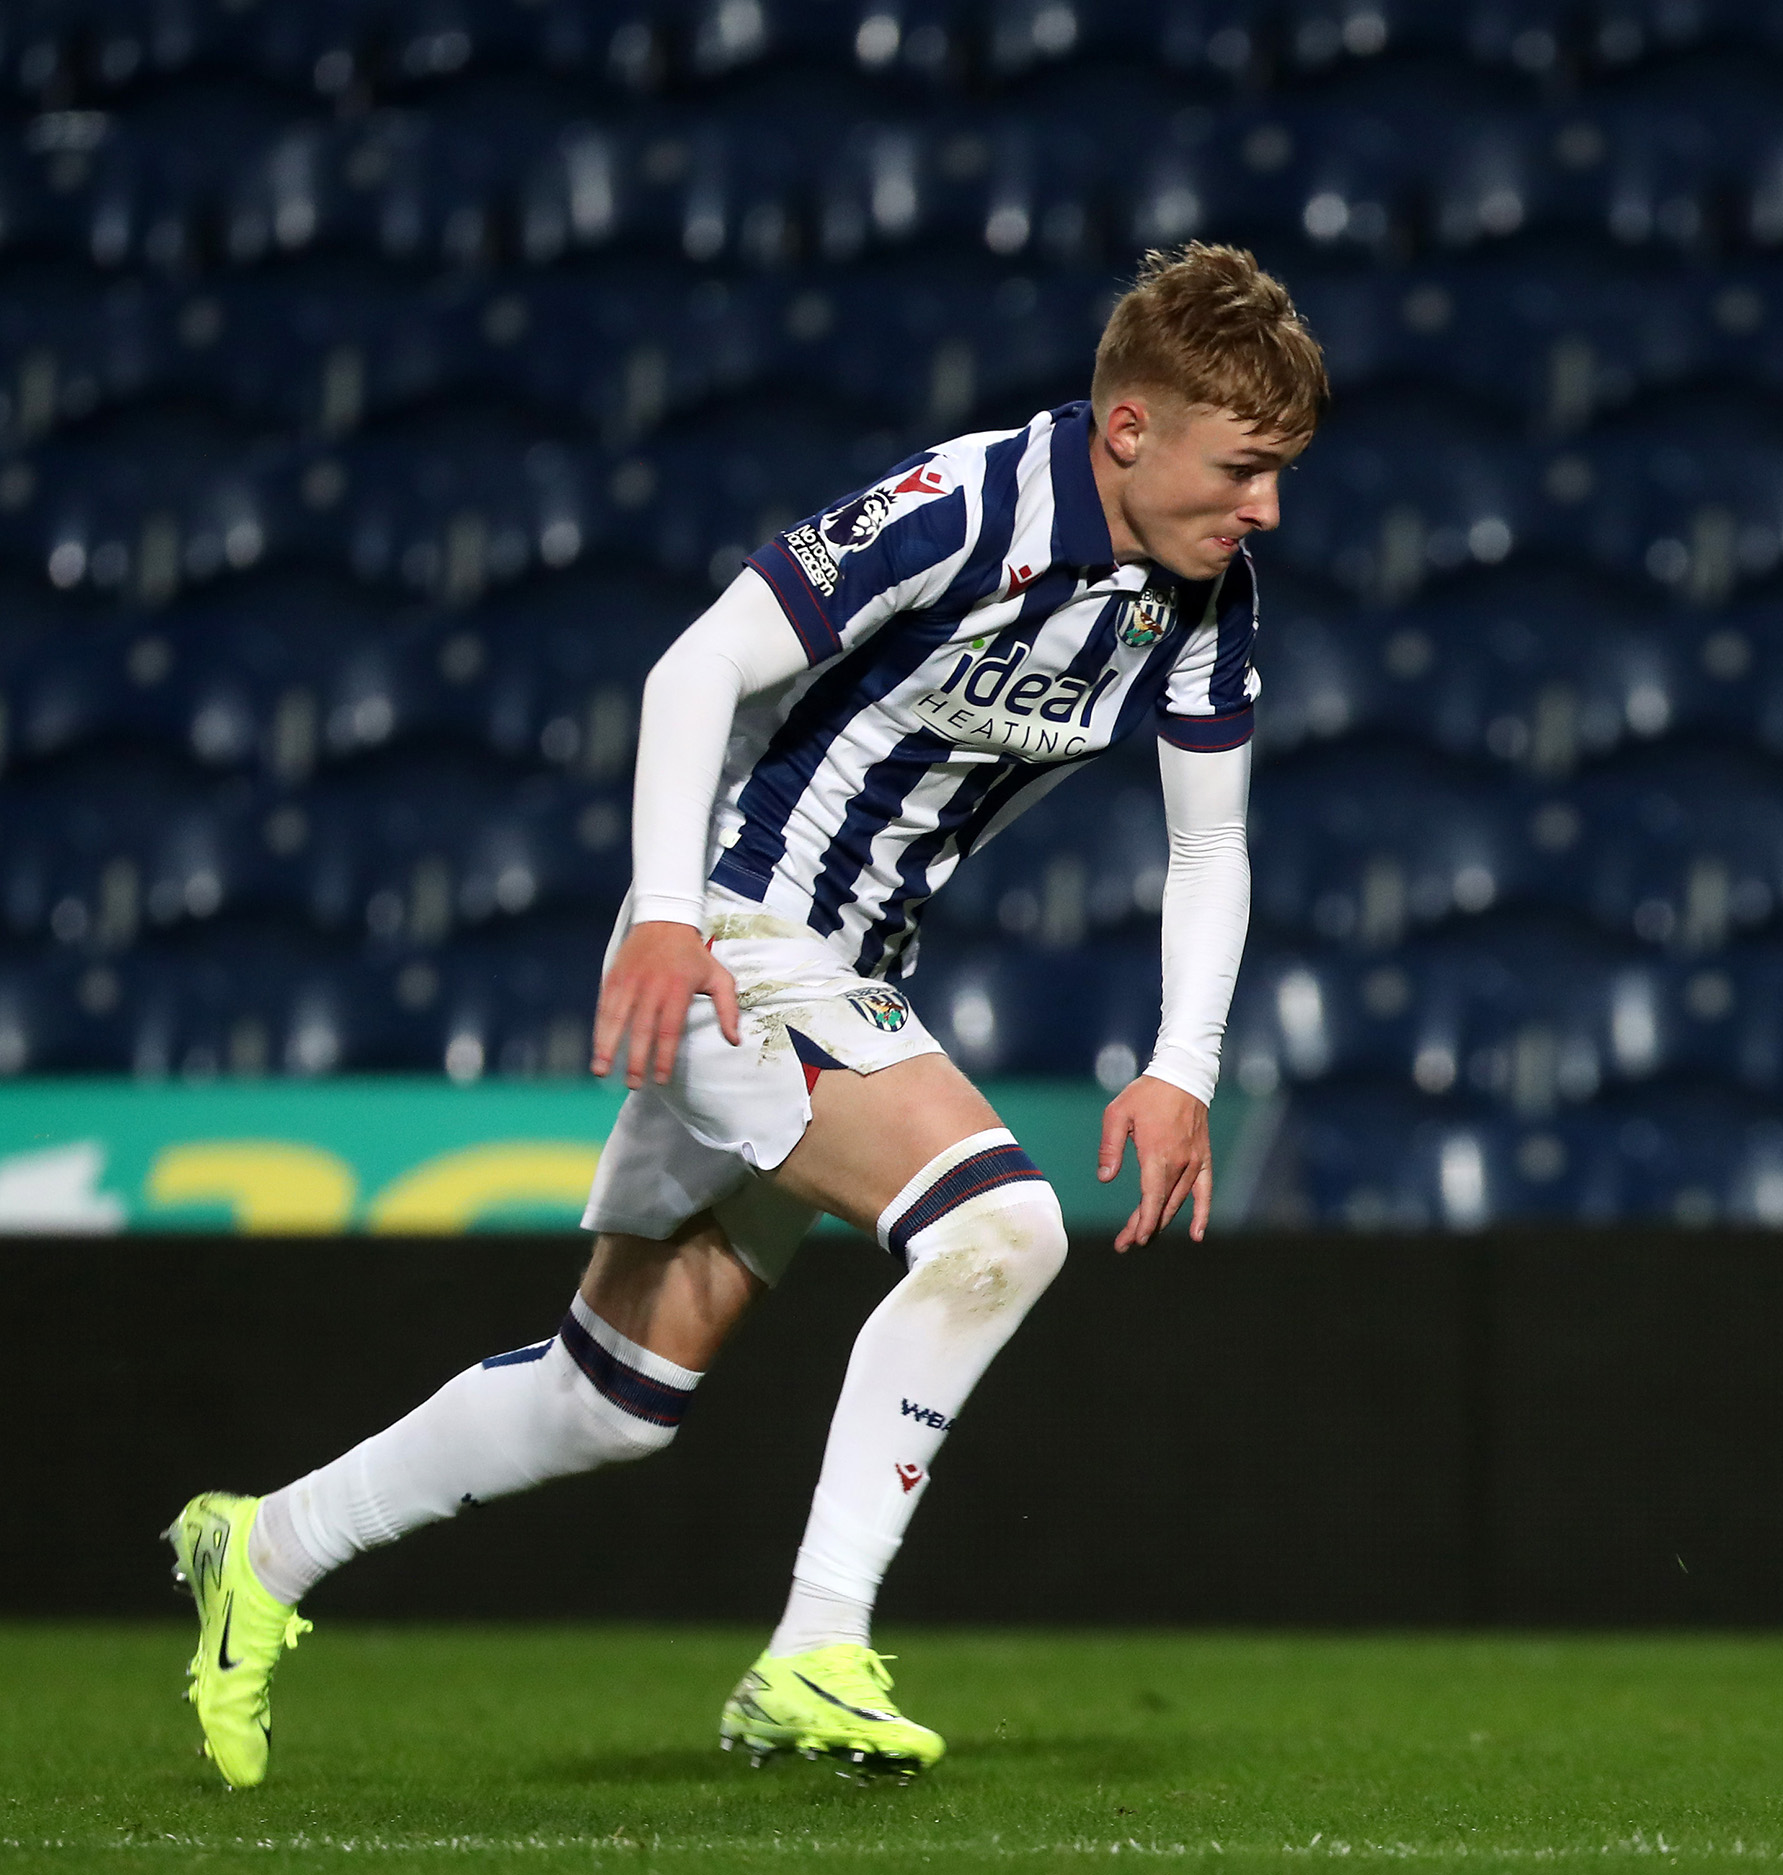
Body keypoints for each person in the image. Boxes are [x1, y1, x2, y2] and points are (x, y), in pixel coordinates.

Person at [163, 242, 1328, 1791]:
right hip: (737, 937)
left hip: (845, 972)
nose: (1264, 511)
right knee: (1002, 1224)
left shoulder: (1207, 597)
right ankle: (815, 1647)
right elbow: (695, 663)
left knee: (614, 1396)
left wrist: (1185, 1066)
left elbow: (1209, 845)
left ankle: (265, 1545)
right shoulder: (963, 504)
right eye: (1243, 469)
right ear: (1131, 428)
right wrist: (661, 916)